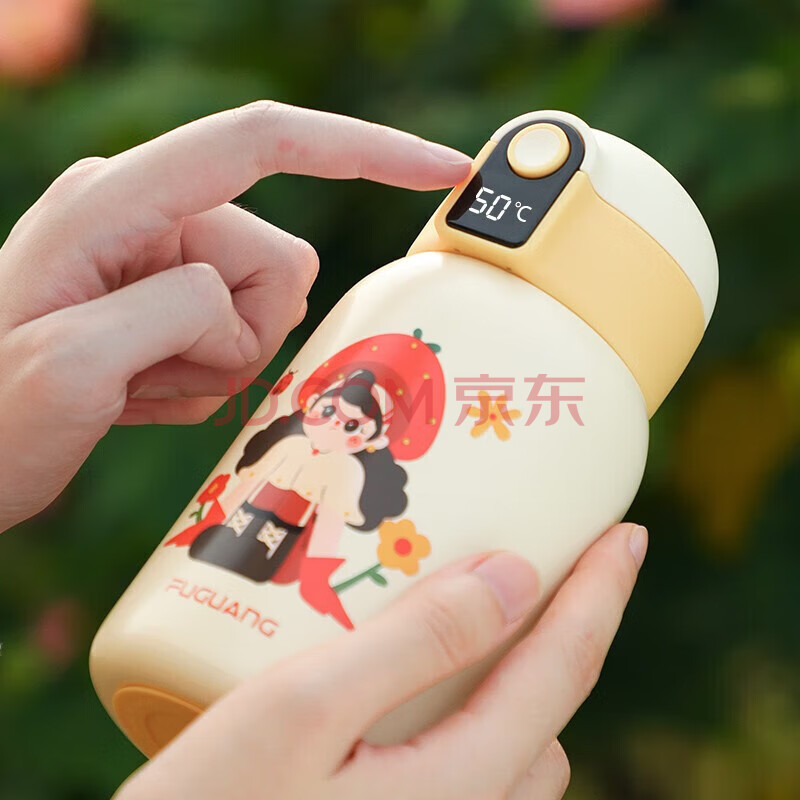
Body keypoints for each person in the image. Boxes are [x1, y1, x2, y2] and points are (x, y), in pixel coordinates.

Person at [0, 101, 648, 800]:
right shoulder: (409, 293)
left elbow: (333, 525)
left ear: (371, 436)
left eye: (353, 415)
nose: (334, 414)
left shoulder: (444, 327)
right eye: (334, 404)